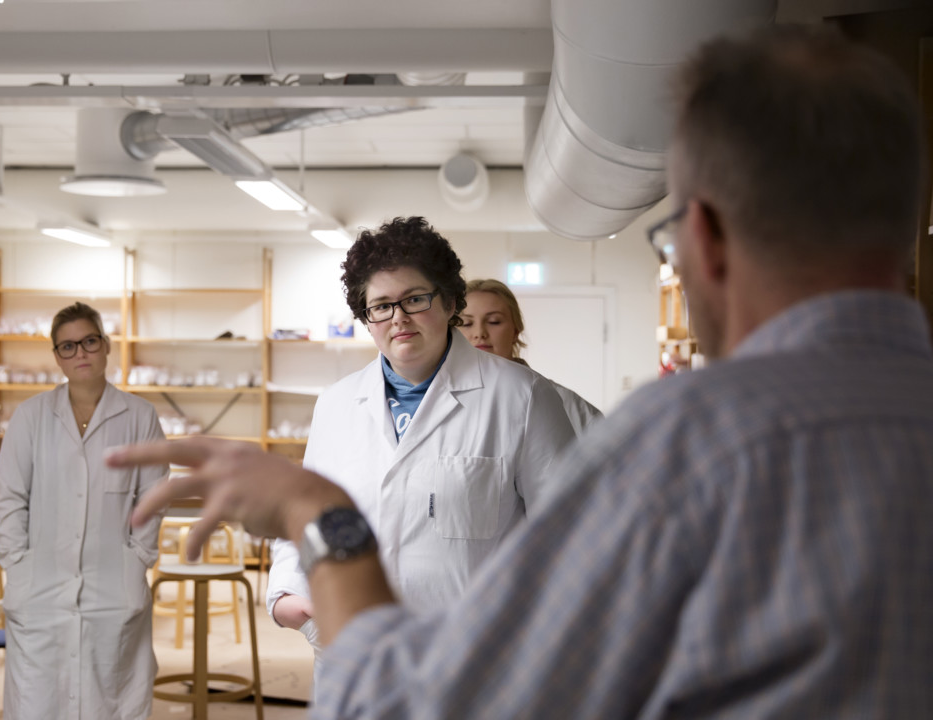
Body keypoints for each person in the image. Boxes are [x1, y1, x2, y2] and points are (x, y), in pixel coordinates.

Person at [110, 25, 933, 718]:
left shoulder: (689, 442)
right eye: (378, 307)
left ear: (705, 242)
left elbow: (432, 691)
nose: (397, 320)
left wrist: (314, 511)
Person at [265, 217, 575, 666]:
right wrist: (288, 593)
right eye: (381, 306)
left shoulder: (521, 397)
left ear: (449, 300)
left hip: (471, 662)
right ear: (366, 318)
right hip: (354, 654)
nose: (399, 318)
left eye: (415, 299)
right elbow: (305, 516)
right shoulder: (336, 404)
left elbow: (569, 536)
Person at [0, 301, 168, 719]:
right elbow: (10, 500)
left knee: (113, 697)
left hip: (113, 586)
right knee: (38, 700)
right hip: (40, 588)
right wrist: (17, 564)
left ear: (106, 346)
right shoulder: (30, 417)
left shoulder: (140, 416)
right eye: (67, 347)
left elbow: (153, 497)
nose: (80, 353)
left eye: (89, 341)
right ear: (56, 356)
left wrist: (136, 558)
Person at [459, 278, 603, 432]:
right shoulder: (439, 398)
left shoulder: (564, 403)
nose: (480, 333)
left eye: (494, 321)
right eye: (467, 323)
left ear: (516, 330)